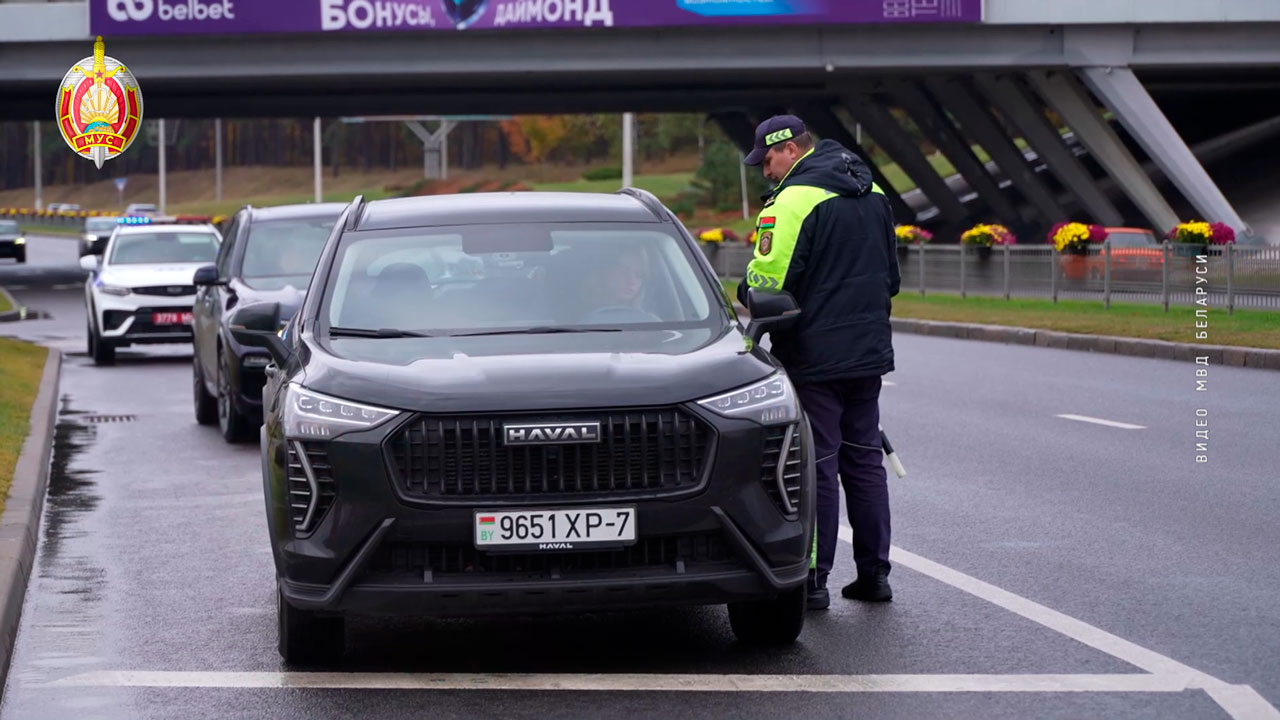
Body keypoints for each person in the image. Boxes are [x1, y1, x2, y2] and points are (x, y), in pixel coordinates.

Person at [736, 115, 900, 610]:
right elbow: (891, 280)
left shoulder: (791, 201)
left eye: (768, 160)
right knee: (864, 460)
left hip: (815, 358)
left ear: (790, 150)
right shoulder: (873, 192)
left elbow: (767, 284)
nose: (766, 171)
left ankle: (814, 579)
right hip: (868, 353)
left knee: (817, 465)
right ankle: (874, 575)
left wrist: (743, 290)